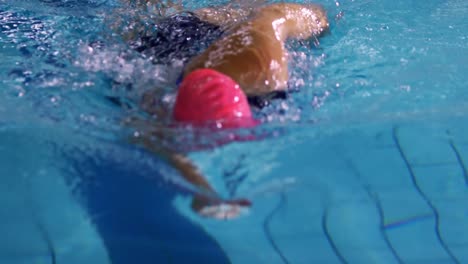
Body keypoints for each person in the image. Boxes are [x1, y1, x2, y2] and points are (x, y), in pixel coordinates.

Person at [125, 1, 329, 219]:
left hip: (228, 38)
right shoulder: (166, 94)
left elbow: (279, 14)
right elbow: (153, 135)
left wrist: (312, 22)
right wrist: (202, 187)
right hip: (187, 42)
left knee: (314, 19)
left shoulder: (264, 66)